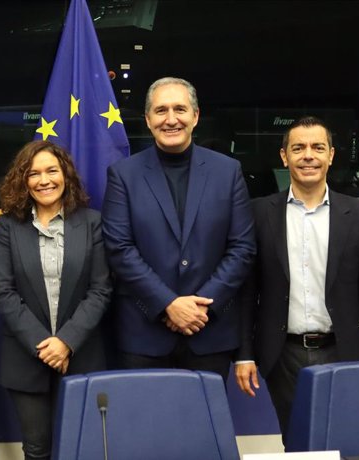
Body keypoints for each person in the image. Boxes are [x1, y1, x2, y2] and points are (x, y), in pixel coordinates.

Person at [234, 116, 359, 443]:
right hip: (284, 356)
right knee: (297, 443)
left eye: (317, 147)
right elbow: (246, 291)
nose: (308, 155)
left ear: (331, 155)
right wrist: (245, 353)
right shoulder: (259, 213)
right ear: (285, 156)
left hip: (345, 351)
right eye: (298, 148)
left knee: (348, 441)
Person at [102, 77, 256, 381]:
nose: (170, 119)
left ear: (195, 116)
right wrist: (168, 304)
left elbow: (242, 248)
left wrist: (201, 308)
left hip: (209, 331)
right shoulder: (124, 175)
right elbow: (119, 249)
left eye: (179, 109)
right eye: (161, 111)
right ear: (148, 120)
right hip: (143, 336)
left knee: (203, 427)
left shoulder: (228, 171)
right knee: (143, 428)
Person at [0, 140, 111, 460]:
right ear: (23, 180)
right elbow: (3, 291)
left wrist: (66, 342)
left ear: (66, 175)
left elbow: (100, 289)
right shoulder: (8, 226)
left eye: (51, 171)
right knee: (36, 450)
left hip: (81, 355)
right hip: (26, 358)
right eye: (34, 173)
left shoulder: (91, 222)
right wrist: (46, 345)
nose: (44, 180)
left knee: (81, 448)